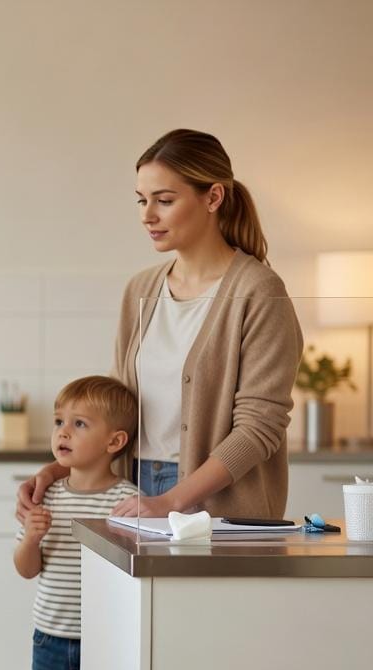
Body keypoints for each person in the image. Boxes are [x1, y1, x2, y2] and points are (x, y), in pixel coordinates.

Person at [19, 129, 303, 520]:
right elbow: (115, 407)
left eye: (164, 200)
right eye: (141, 200)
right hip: (132, 488)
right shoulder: (142, 289)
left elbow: (259, 428)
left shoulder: (259, 292)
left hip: (220, 502)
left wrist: (172, 500)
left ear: (213, 197)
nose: (147, 215)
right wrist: (59, 470)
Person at [13, 376, 139, 670]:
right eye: (59, 421)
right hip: (49, 643)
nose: (63, 432)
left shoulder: (128, 503)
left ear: (115, 441)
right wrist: (30, 539)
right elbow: (26, 570)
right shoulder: (44, 496)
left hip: (108, 650)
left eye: (80, 424)